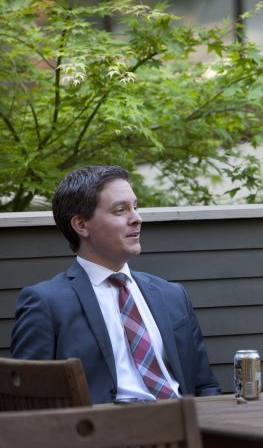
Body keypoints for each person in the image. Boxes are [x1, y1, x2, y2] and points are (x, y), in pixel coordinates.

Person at [11, 166, 220, 404]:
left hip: (188, 428)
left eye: (135, 207)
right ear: (81, 225)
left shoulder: (172, 295)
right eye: (120, 210)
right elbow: (27, 402)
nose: (137, 218)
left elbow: (206, 385)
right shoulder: (46, 303)